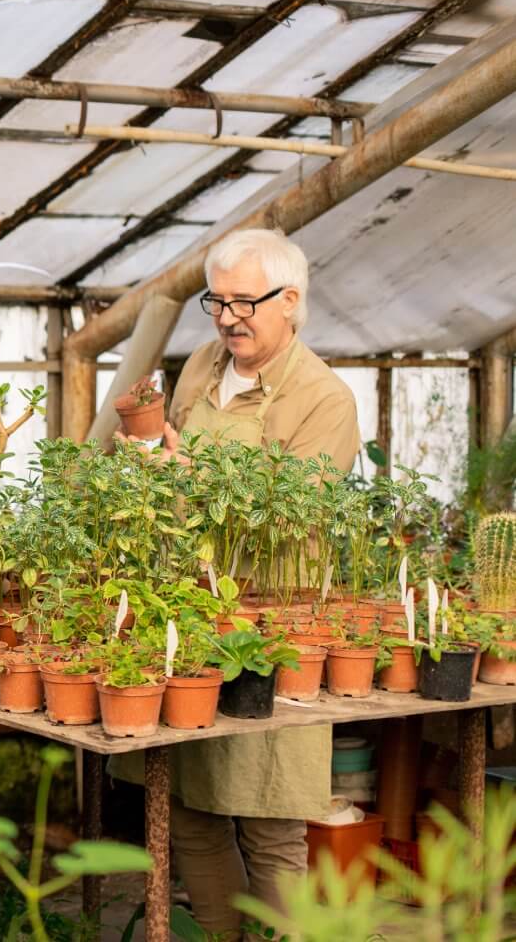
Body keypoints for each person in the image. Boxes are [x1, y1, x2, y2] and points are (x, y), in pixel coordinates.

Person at [161, 228, 360, 938]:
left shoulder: (324, 399)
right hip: (188, 610)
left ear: (291, 301)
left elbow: (294, 512)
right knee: (190, 812)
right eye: (217, 301)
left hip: (272, 628)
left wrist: (195, 476)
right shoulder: (200, 370)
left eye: (245, 301)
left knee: (272, 818)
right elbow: (176, 456)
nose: (227, 317)